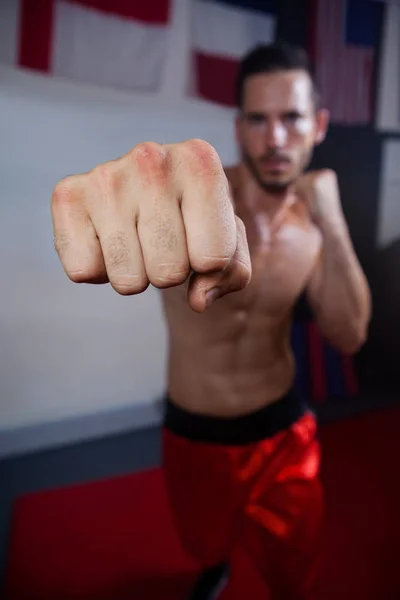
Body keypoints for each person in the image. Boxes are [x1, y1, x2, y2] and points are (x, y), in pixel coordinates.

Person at [51, 42, 371, 599]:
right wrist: (123, 193)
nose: (275, 140)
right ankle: (214, 567)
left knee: (294, 565)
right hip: (192, 428)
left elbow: (349, 335)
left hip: (281, 432)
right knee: (202, 542)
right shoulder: (200, 203)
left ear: (318, 124)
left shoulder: (317, 229)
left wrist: (334, 220)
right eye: (258, 120)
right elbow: (153, 189)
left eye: (291, 119)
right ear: (239, 126)